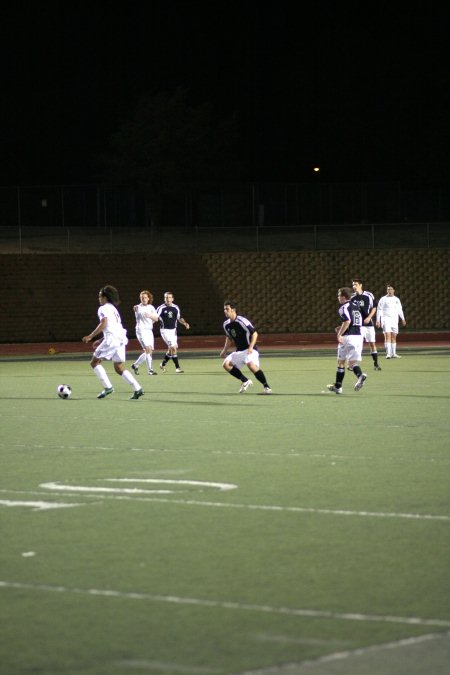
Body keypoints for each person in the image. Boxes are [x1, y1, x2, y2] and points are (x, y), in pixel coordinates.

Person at [82, 285, 144, 399]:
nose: (99, 298)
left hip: (112, 339)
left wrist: (90, 336)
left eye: (100, 296)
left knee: (94, 362)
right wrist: (101, 339)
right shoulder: (113, 308)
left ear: (105, 297)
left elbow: (104, 323)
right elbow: (112, 326)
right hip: (120, 338)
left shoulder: (103, 308)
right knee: (119, 367)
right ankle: (138, 388)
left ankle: (108, 387)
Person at [220, 301, 272, 394]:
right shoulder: (226, 324)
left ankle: (266, 387)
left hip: (250, 350)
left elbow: (255, 333)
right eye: (224, 309)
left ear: (233, 310)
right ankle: (245, 381)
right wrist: (224, 351)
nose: (225, 311)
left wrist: (251, 347)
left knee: (251, 365)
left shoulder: (242, 321)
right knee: (226, 364)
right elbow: (229, 338)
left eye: (227, 309)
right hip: (239, 351)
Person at [327, 287, 367, 394]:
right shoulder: (356, 306)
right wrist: (341, 327)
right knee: (352, 363)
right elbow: (355, 321)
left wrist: (339, 333)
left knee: (341, 362)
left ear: (344, 297)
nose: (338, 297)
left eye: (339, 295)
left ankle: (339, 387)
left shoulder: (343, 307)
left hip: (348, 337)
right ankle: (360, 376)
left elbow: (348, 321)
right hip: (358, 337)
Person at [351, 278, 381, 371]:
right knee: (357, 344)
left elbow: (374, 307)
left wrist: (369, 317)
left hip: (368, 325)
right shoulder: (352, 297)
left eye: (356, 284)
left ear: (360, 285)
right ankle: (353, 364)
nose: (354, 286)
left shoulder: (368, 295)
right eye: (353, 285)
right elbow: (350, 311)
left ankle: (376, 363)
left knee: (372, 343)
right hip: (358, 325)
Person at [157, 291, 190, 373]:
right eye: (166, 298)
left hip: (173, 331)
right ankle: (177, 368)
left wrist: (185, 323)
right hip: (165, 331)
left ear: (172, 299)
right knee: (173, 348)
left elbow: (179, 318)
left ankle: (162, 364)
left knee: (171, 349)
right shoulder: (161, 308)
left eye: (169, 297)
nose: (168, 299)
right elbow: (155, 317)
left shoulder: (176, 307)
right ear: (164, 299)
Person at [131, 290, 159, 376]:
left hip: (149, 331)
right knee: (147, 349)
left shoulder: (151, 307)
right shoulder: (137, 307)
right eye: (142, 298)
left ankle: (135, 365)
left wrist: (150, 316)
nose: (143, 299)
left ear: (148, 298)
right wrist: (135, 308)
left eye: (145, 297)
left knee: (149, 351)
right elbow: (135, 309)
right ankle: (150, 370)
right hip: (141, 330)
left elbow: (156, 319)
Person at [376, 283, 406, 358]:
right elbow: (379, 310)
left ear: (394, 290)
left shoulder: (397, 299)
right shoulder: (383, 299)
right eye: (388, 289)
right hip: (386, 319)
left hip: (394, 320)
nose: (389, 290)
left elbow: (400, 310)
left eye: (391, 289)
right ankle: (388, 353)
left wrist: (403, 319)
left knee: (394, 336)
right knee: (387, 335)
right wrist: (378, 320)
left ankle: (394, 353)